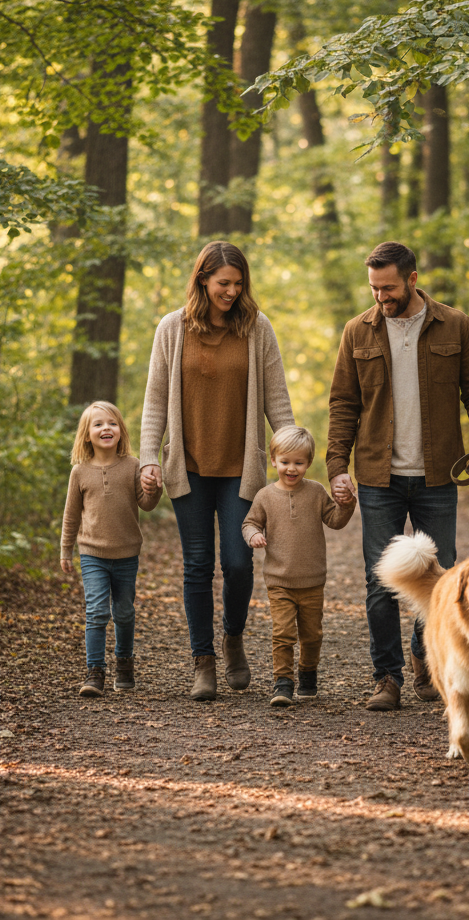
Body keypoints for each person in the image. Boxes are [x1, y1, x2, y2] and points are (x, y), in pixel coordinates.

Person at [327, 241, 469, 711]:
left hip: (439, 475)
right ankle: (387, 677)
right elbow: (343, 403)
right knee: (380, 581)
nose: (380, 297)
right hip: (377, 476)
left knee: (443, 579)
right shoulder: (356, 331)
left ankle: (424, 655)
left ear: (413, 279)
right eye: (374, 288)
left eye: (389, 288)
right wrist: (337, 466)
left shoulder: (454, 325)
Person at [139, 241, 294, 701]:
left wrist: (290, 449)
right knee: (197, 565)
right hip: (187, 466)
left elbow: (277, 397)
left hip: (239, 469)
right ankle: (202, 661)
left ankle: (233, 636)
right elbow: (155, 401)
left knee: (238, 562)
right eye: (224, 283)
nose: (231, 291)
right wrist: (149, 458)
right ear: (202, 279)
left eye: (238, 284)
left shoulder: (256, 328)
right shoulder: (172, 328)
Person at [241, 425, 355, 707]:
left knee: (312, 635)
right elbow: (249, 522)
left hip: (312, 580)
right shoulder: (265, 496)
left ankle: (307, 674)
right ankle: (283, 682)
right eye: (285, 462)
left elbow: (335, 520)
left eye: (299, 463)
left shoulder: (316, 492)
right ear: (273, 460)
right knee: (282, 633)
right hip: (279, 580)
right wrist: (253, 535)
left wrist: (346, 504)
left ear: (308, 462)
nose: (291, 469)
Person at [61, 401, 161, 697]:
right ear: (87, 435)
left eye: (112, 423)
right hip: (92, 554)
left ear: (121, 431)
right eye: (98, 424)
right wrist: (66, 549)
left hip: (127, 554)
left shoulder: (133, 466)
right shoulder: (79, 472)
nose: (106, 428)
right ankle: (95, 672)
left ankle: (124, 663)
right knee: (96, 611)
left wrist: (154, 488)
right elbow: (71, 515)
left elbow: (147, 504)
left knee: (124, 612)